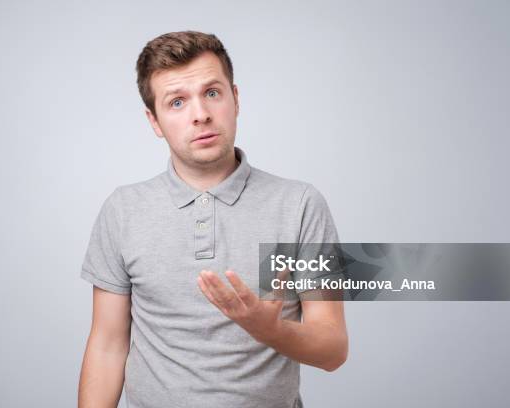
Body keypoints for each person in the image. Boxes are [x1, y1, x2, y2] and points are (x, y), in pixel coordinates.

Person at [78, 31, 348, 408]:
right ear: (154, 121)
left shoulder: (299, 205)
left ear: (235, 99)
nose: (200, 114)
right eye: (176, 102)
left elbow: (333, 349)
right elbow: (107, 346)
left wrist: (272, 331)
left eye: (212, 93)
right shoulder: (122, 210)